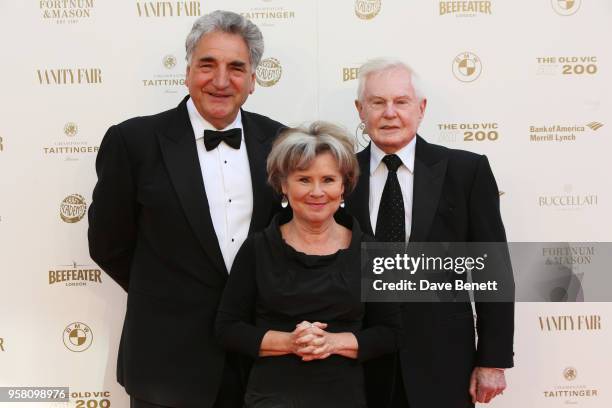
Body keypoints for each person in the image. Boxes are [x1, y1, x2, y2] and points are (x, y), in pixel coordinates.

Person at [88, 10, 285, 408]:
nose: (220, 80)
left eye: (236, 67)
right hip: (165, 361)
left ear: (252, 80)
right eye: (207, 65)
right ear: (187, 70)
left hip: (258, 365)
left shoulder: (280, 141)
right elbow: (108, 244)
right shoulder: (133, 141)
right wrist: (166, 291)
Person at [344, 59, 514, 408]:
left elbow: (492, 270)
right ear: (361, 110)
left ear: (420, 109)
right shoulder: (338, 174)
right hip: (360, 363)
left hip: (445, 359)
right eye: (377, 102)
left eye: (401, 102)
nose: (390, 113)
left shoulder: (466, 171)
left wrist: (492, 359)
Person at [215, 122, 401, 408]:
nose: (317, 192)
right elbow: (228, 328)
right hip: (270, 399)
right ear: (283, 186)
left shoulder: (371, 251)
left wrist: (331, 343)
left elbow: (390, 332)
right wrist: (290, 342)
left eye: (328, 179)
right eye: (304, 179)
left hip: (345, 399)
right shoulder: (257, 248)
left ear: (344, 186)